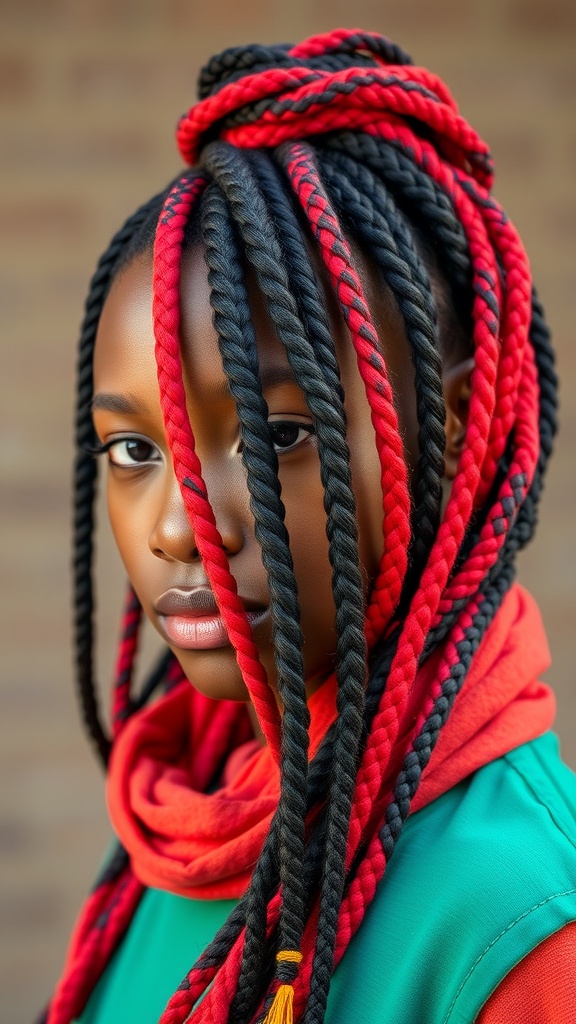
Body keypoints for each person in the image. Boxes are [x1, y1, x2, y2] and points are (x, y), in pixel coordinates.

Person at [42, 28, 576, 1024]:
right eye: (133, 452)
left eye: (276, 431)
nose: (178, 526)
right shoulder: (185, 816)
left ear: (442, 434)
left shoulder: (523, 921)